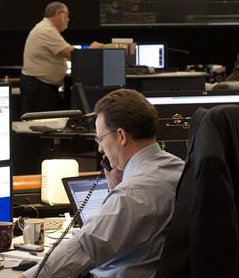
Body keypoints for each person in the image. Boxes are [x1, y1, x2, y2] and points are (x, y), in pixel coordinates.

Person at [21, 89, 184, 278]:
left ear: (121, 136)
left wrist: (25, 277)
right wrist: (117, 187)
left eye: (100, 138)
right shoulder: (177, 167)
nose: (100, 148)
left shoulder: (132, 193)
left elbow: (86, 248)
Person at [21, 2, 102, 113]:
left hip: (41, 86)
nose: (68, 19)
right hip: (39, 88)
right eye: (67, 15)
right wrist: (91, 49)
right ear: (58, 13)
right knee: (41, 123)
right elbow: (72, 54)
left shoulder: (47, 28)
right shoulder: (46, 30)